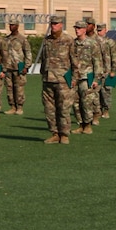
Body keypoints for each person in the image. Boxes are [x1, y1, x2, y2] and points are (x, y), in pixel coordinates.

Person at [39, 15, 76, 144]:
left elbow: (74, 61)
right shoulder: (47, 41)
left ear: (61, 25)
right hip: (48, 79)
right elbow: (44, 59)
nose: (53, 26)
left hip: (63, 80)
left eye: (56, 24)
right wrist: (43, 74)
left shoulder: (68, 40)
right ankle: (54, 133)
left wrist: (74, 78)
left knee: (64, 108)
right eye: (52, 24)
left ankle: (64, 134)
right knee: (49, 109)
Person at [69, 20, 103, 135]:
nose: (76, 30)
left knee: (86, 102)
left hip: (86, 76)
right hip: (74, 77)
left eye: (79, 28)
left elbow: (97, 62)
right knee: (75, 103)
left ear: (84, 30)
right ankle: (80, 124)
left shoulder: (92, 44)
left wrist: (96, 79)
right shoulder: (72, 44)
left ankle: (88, 125)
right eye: (76, 28)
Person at [3, 20, 33, 115]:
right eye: (10, 25)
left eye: (13, 25)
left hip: (19, 67)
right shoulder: (6, 39)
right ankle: (12, 106)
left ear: (17, 26)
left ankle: (19, 107)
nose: (11, 27)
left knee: (19, 88)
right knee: (9, 88)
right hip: (8, 67)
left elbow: (28, 53)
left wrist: (26, 66)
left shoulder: (22, 39)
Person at [96, 23, 116, 118]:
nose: (99, 32)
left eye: (101, 30)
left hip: (108, 71)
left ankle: (106, 110)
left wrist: (113, 70)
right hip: (97, 71)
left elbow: (115, 57)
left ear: (105, 30)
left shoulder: (110, 42)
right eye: (98, 30)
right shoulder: (94, 42)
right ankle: (98, 110)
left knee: (107, 91)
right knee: (96, 92)